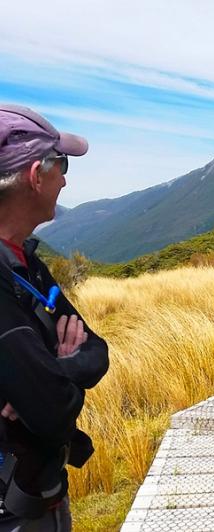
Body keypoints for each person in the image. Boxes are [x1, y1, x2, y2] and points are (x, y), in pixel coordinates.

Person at [0, 104, 109, 530]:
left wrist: (52, 369)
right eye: (61, 164)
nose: (65, 178)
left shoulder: (27, 263)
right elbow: (52, 410)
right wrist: (54, 377)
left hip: (40, 488)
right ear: (35, 175)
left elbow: (97, 349)